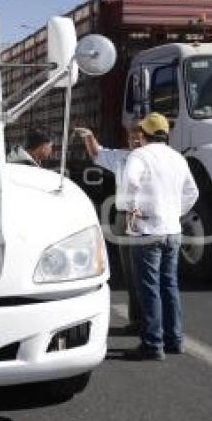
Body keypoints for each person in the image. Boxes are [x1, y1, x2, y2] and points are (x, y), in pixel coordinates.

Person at [121, 112, 199, 361]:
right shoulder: (178, 158)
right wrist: (175, 212)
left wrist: (132, 207)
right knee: (170, 285)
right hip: (172, 230)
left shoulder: (139, 155)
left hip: (147, 231)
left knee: (149, 288)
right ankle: (174, 340)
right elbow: (192, 192)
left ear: (144, 134)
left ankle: (153, 344)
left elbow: (130, 181)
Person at [74, 124, 143, 332]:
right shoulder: (123, 157)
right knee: (131, 273)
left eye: (138, 138)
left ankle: (155, 325)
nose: (134, 141)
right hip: (124, 218)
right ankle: (138, 321)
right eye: (131, 138)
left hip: (145, 218)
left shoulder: (154, 159)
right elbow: (98, 153)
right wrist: (89, 136)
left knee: (147, 274)